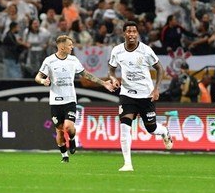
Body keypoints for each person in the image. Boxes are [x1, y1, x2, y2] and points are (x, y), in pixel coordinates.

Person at [36, 35, 113, 163]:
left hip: (70, 100)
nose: (72, 47)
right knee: (60, 131)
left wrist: (103, 83)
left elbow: (86, 74)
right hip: (55, 101)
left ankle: (72, 139)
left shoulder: (73, 60)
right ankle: (64, 156)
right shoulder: (49, 61)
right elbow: (38, 77)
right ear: (62, 46)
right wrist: (43, 80)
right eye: (70, 45)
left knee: (68, 127)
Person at [108, 21, 174, 172]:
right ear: (124, 33)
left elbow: (159, 68)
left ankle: (164, 132)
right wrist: (113, 78)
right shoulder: (117, 51)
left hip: (146, 95)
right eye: (129, 31)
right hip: (127, 95)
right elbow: (111, 69)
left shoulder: (146, 50)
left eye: (134, 32)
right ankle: (127, 164)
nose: (131, 34)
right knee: (124, 127)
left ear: (137, 34)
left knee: (151, 129)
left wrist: (156, 89)